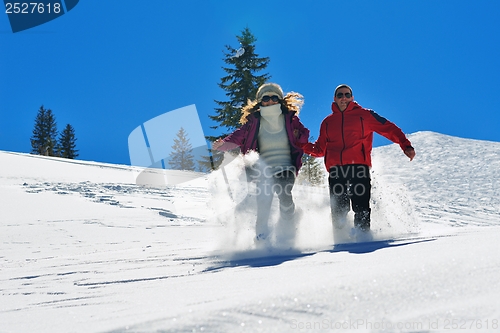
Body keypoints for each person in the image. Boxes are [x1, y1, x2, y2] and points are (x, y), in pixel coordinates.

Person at [298, 84, 415, 233]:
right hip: (336, 171)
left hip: (359, 168)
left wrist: (405, 145)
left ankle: (363, 238)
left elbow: (389, 128)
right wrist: (300, 145)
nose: (344, 98)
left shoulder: (364, 115)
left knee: (361, 206)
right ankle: (340, 239)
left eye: (347, 95)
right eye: (340, 95)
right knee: (339, 209)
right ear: (335, 99)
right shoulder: (327, 122)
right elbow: (319, 150)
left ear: (352, 98)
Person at [212, 83, 309, 244]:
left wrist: (299, 136)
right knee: (263, 200)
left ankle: (289, 222)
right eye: (266, 98)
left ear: (280, 100)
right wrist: (223, 144)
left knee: (284, 195)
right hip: (263, 169)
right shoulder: (253, 122)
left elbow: (304, 134)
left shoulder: (290, 118)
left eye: (274, 98)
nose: (270, 101)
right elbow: (236, 137)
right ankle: (262, 236)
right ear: (260, 101)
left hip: (286, 166)